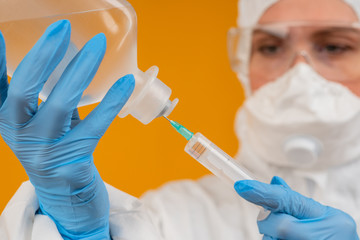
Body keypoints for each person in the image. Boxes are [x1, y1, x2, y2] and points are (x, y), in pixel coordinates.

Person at [1, 0, 360, 239]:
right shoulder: (168, 218)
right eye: (270, 47)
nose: (300, 73)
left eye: (334, 46)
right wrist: (79, 231)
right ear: (245, 65)